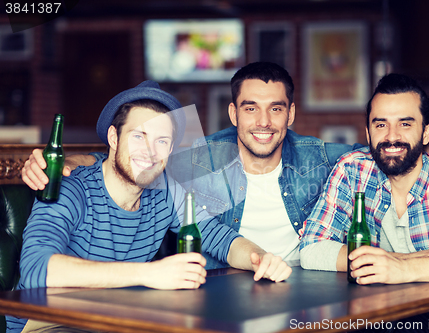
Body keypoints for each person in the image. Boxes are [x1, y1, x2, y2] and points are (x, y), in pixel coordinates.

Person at [22, 62, 429, 270]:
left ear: (291, 114)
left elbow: (392, 147)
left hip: (308, 284)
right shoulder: (199, 154)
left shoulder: (319, 155)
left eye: (276, 109)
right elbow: (133, 157)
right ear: (233, 114)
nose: (264, 122)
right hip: (218, 289)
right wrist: (69, 161)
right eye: (250, 108)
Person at [7, 80, 291, 333]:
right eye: (138, 136)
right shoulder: (70, 187)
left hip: (120, 319)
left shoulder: (165, 189)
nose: (150, 152)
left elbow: (219, 238)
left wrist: (260, 257)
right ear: (114, 138)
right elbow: (36, 270)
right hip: (51, 322)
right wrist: (150, 274)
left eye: (162, 141)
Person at [299, 73, 429, 330]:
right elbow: (312, 248)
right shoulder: (352, 170)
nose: (391, 136)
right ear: (368, 133)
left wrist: (404, 270)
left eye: (405, 124)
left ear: (426, 133)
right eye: (380, 125)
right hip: (384, 314)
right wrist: (395, 260)